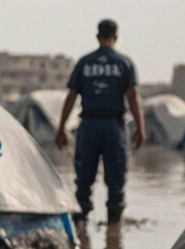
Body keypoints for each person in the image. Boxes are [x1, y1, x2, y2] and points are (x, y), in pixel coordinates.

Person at [55, 19, 144, 225]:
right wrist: (140, 128)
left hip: (89, 126)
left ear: (97, 37)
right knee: (116, 180)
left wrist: (61, 128)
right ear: (117, 37)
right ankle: (114, 233)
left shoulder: (84, 62)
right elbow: (133, 97)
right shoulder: (124, 63)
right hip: (114, 127)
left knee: (84, 179)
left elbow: (71, 96)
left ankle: (80, 229)